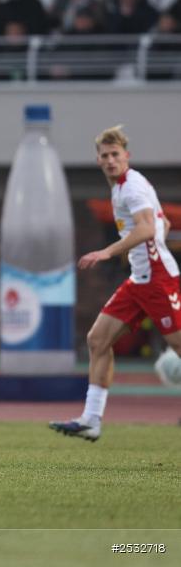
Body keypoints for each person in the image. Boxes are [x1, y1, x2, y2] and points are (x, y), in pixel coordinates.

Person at [50, 126, 181, 442]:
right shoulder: (124, 187)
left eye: (115, 155)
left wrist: (107, 251)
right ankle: (91, 419)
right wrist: (152, 237)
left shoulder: (131, 187)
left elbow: (149, 228)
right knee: (97, 340)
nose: (110, 160)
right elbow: (162, 223)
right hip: (139, 280)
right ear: (98, 160)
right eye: (105, 155)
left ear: (127, 157)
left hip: (159, 281)